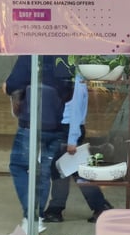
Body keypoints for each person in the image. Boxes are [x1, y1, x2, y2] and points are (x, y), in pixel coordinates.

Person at [4, 55, 74, 233]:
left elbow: (13, 84)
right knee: (42, 172)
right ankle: (38, 216)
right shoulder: (64, 57)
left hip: (31, 123)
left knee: (18, 166)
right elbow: (68, 93)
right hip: (55, 124)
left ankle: (31, 216)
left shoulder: (31, 54)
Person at [43, 73, 113, 224]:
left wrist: (72, 139)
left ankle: (56, 209)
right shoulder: (71, 76)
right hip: (65, 128)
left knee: (64, 170)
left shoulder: (75, 78)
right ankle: (100, 206)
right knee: (70, 170)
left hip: (68, 129)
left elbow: (75, 109)